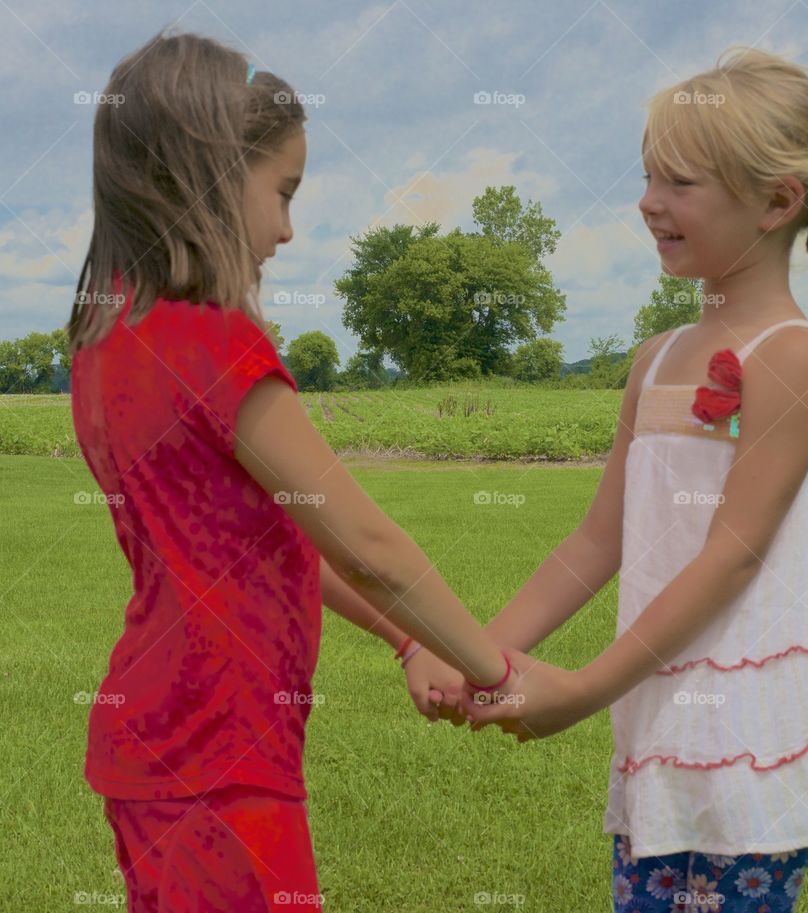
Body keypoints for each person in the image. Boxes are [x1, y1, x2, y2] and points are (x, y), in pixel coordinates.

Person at [67, 30, 552, 913]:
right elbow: (368, 542)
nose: (288, 230)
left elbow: (277, 539)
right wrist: (493, 670)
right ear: (210, 174)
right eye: (282, 193)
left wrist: (413, 641)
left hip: (157, 747)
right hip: (221, 754)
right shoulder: (219, 346)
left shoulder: (107, 345)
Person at [415, 47, 808, 912]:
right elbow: (601, 538)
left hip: (751, 728)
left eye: (679, 181)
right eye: (646, 177)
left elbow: (733, 557)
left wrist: (583, 686)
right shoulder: (655, 359)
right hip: (665, 719)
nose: (647, 202)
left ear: (776, 201)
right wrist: (471, 654)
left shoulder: (790, 356)